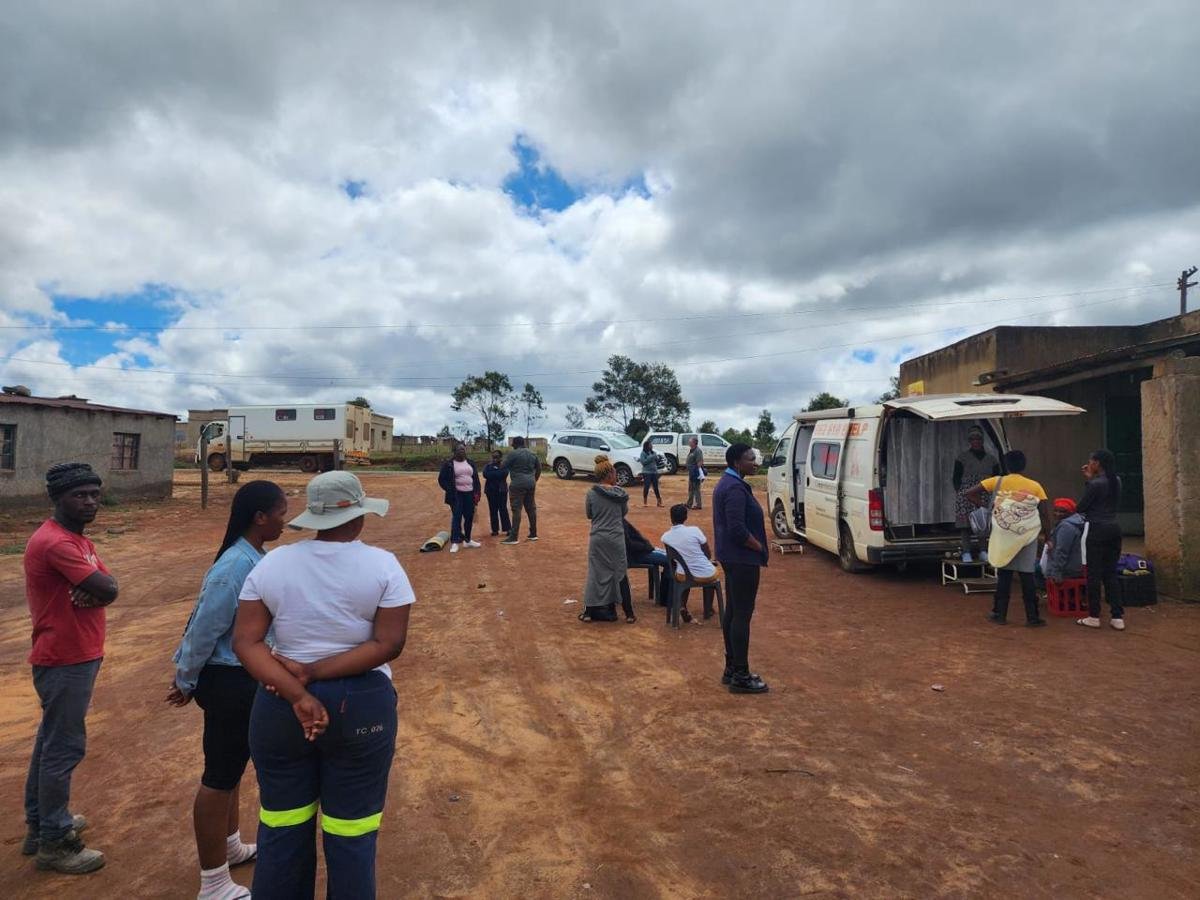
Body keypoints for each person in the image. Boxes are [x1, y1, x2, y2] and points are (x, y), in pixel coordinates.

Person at [233, 471, 414, 900]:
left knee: (281, 824)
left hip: (278, 703)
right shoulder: (383, 565)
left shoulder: (273, 563)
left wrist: (297, 692)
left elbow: (246, 642)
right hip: (360, 706)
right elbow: (390, 643)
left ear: (313, 517)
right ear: (359, 516)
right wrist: (313, 675)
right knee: (352, 830)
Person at [167, 480, 288, 900]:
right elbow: (204, 626)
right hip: (227, 680)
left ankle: (231, 845)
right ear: (259, 517)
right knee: (219, 776)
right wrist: (185, 677)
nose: (284, 520)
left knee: (233, 768)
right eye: (280, 512)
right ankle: (213, 882)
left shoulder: (254, 556)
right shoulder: (236, 565)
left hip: (241, 677)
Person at [23, 462, 118, 874]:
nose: (90, 502)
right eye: (80, 495)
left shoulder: (76, 539)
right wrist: (97, 588)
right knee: (63, 747)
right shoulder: (57, 543)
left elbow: (105, 584)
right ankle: (56, 842)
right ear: (57, 498)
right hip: (65, 656)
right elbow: (110, 587)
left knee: (50, 744)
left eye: (95, 494)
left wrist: (97, 588)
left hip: (74, 653)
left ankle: (40, 825)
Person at [966, 450, 1054, 627]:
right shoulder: (1035, 486)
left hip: (1003, 535)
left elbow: (969, 493)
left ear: (1006, 465)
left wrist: (989, 507)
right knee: (1027, 575)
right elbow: (1044, 514)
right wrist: (1048, 536)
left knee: (1004, 574)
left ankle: (999, 614)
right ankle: (1032, 617)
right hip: (1026, 535)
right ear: (1024, 465)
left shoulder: (996, 481)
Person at [713, 444, 769, 693]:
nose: (755, 463)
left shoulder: (727, 483)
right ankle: (742, 676)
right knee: (741, 615)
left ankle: (732, 668)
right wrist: (757, 546)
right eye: (750, 459)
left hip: (732, 558)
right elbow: (736, 529)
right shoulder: (734, 488)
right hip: (742, 559)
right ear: (737, 462)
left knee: (734, 612)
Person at [580, 456, 635, 623]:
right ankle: (629, 613)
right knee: (620, 573)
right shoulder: (621, 494)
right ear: (610, 474)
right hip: (616, 538)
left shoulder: (591, 493)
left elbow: (590, 514)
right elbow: (623, 513)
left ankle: (588, 612)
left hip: (598, 537)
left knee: (595, 573)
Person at [1074, 449, 1125, 631]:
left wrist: (1089, 480)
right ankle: (1117, 616)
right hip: (1113, 528)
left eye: (1091, 461)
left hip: (1095, 528)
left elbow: (1081, 507)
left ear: (1096, 463)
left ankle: (1094, 615)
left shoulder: (1095, 484)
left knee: (1093, 573)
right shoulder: (1116, 481)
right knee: (1110, 573)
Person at [661, 504, 721, 621]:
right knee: (710, 576)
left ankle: (682, 606)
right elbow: (707, 554)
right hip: (704, 574)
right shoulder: (695, 530)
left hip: (682, 574)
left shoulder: (665, 537)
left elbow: (672, 561)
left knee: (685, 575)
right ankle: (708, 609)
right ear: (686, 517)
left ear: (671, 518)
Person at [952, 425, 1000, 562]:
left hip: (985, 493)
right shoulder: (962, 458)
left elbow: (997, 478)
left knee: (983, 524)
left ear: (982, 440)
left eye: (978, 438)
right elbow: (956, 478)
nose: (976, 441)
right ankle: (966, 552)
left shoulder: (992, 459)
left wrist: (994, 495)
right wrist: (960, 492)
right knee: (965, 525)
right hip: (966, 494)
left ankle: (983, 551)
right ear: (969, 441)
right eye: (973, 439)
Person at [437, 442, 481, 553]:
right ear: (455, 451)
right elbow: (441, 479)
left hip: (470, 494)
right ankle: (455, 542)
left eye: (464, 449)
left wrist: (477, 493)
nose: (462, 451)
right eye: (460, 449)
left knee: (469, 517)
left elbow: (475, 479)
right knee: (457, 517)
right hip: (457, 495)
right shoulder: (449, 464)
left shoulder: (470, 463)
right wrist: (451, 489)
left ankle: (468, 540)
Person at [623, 519, 672, 610]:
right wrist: (646, 546)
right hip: (637, 555)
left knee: (665, 555)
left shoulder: (612, 521)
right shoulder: (619, 522)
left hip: (637, 553)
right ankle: (665, 598)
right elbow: (629, 544)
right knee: (669, 561)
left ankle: (663, 596)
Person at [501, 436, 541, 544]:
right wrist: (534, 479)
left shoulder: (513, 454)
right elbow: (539, 468)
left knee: (516, 509)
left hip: (517, 484)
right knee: (531, 508)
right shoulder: (533, 453)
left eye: (513, 444)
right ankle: (533, 534)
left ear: (516, 444)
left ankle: (513, 537)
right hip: (530, 483)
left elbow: (503, 466)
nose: (512, 446)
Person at [1043, 498, 1085, 582]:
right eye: (1056, 511)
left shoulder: (1066, 527)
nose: (1057, 514)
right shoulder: (1073, 523)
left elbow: (1061, 551)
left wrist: (1055, 573)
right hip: (1072, 566)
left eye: (1062, 512)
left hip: (1066, 570)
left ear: (1070, 512)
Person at [481, 450, 512, 537]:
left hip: (501, 491)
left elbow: (503, 474)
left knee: (503, 509)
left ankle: (508, 529)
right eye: (493, 456)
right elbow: (485, 474)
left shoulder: (504, 466)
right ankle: (495, 530)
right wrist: (497, 474)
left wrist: (493, 474)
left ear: (500, 457)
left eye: (497, 457)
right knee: (493, 510)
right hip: (490, 491)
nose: (495, 458)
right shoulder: (487, 466)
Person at [639, 440, 663, 507]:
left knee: (656, 487)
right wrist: (652, 457)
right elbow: (643, 462)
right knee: (646, 486)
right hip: (646, 472)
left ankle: (659, 502)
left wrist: (657, 458)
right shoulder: (643, 453)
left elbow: (656, 461)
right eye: (650, 445)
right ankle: (645, 502)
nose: (651, 446)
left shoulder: (653, 452)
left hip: (654, 472)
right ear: (647, 446)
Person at [685, 437, 705, 509]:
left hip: (695, 473)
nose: (689, 443)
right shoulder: (692, 450)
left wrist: (697, 473)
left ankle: (698, 505)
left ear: (694, 443)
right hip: (692, 472)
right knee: (690, 488)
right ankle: (689, 504)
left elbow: (700, 462)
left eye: (690, 442)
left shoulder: (697, 451)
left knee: (696, 489)